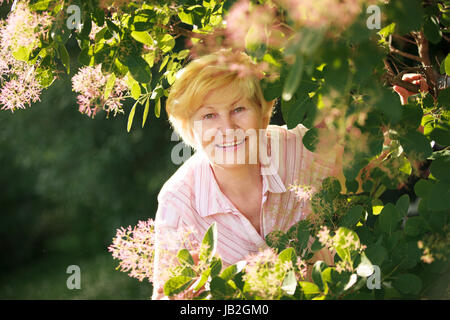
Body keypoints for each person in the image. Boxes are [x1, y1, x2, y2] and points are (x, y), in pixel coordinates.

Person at [151, 49, 423, 300]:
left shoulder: (301, 149)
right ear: (189, 128)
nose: (227, 127)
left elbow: (369, 171)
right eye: (209, 116)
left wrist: (407, 117)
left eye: (239, 109)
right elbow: (167, 294)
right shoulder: (179, 201)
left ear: (263, 113)